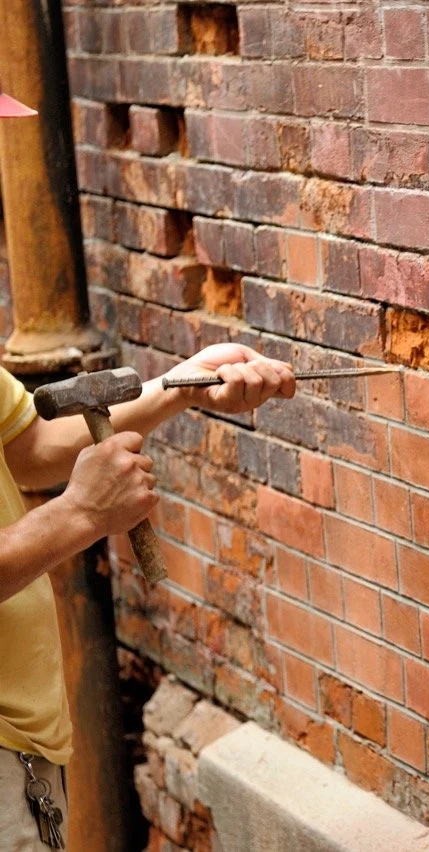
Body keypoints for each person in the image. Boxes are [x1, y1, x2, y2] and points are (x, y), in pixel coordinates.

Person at [0, 80, 297, 849]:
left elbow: (31, 443)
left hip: (25, 754)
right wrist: (79, 516)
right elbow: (60, 485)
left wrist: (183, 385)